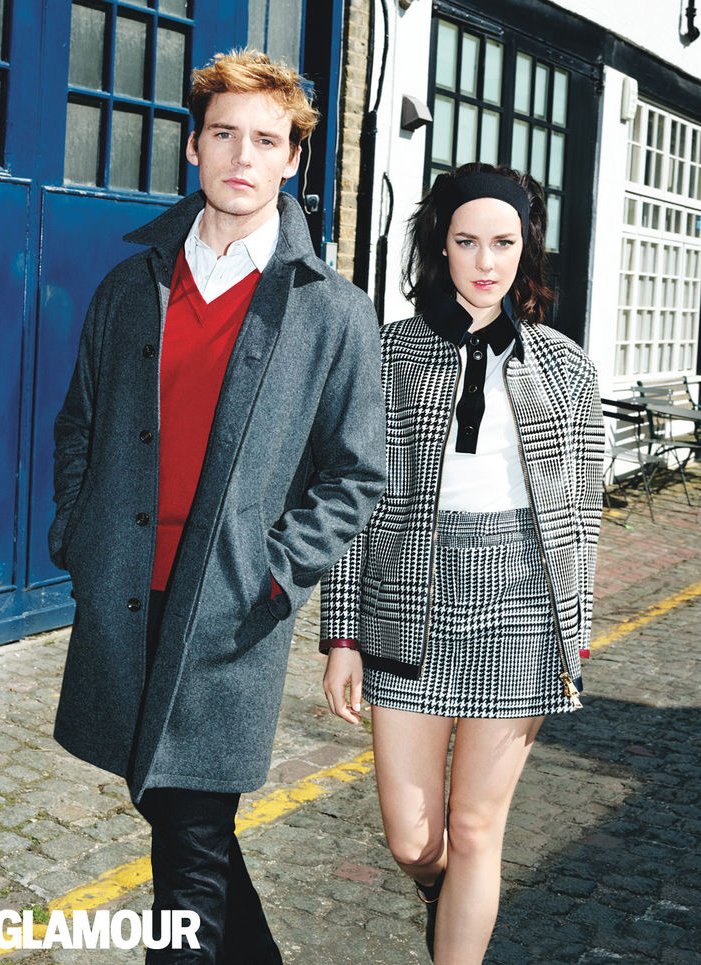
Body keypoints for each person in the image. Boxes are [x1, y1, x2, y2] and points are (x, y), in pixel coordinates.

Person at [48, 49, 386, 963]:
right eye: (225, 134)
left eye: (266, 141)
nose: (243, 156)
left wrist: (273, 575)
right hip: (126, 594)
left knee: (190, 853)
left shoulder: (334, 313)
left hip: (230, 608)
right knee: (184, 824)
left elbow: (356, 474)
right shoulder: (132, 286)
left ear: (292, 161)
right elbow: (79, 422)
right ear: (194, 146)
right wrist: (76, 534)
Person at [320, 162, 604, 964]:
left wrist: (576, 633)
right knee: (414, 839)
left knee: (478, 826)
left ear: (526, 249)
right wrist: (342, 635)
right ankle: (443, 893)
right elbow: (353, 497)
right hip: (409, 597)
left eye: (504, 243)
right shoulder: (389, 353)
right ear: (440, 245)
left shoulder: (567, 368)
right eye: (468, 240)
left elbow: (581, 517)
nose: (486, 261)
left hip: (523, 603)